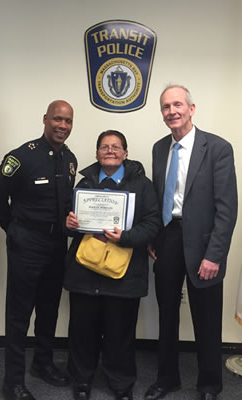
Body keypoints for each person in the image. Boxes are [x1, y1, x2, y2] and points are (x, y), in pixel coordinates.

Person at [144, 85, 238, 400]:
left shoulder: (218, 148)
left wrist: (215, 255)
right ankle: (167, 378)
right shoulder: (159, 148)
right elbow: (159, 198)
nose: (172, 111)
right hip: (168, 238)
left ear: (192, 108)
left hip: (204, 243)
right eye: (166, 107)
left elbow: (227, 208)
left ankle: (209, 385)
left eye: (177, 104)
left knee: (207, 318)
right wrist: (154, 236)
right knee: (166, 314)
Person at [0, 100, 77, 400]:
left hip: (56, 246)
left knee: (49, 309)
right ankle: (13, 380)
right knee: (19, 314)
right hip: (27, 246)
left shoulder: (70, 160)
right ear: (45, 119)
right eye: (57, 119)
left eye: (67, 121)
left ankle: (42, 363)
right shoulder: (21, 157)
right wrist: (12, 228)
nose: (62, 125)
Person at [64, 130, 161, 400]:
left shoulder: (143, 185)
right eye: (104, 147)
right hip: (85, 272)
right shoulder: (83, 185)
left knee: (121, 334)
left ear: (125, 153)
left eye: (116, 147)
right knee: (83, 331)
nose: (110, 151)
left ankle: (121, 384)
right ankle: (82, 381)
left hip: (125, 274)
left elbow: (153, 225)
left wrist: (126, 237)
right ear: (97, 153)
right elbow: (71, 225)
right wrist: (69, 224)